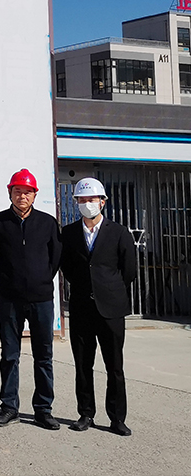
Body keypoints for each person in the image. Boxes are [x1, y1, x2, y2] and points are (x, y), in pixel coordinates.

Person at [60, 177, 137, 437]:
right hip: (81, 306)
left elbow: (129, 270)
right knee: (83, 365)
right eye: (82, 200)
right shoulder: (69, 233)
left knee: (114, 366)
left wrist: (108, 289)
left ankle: (117, 418)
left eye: (91, 199)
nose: (87, 204)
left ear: (102, 202)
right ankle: (86, 414)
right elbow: (67, 267)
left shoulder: (119, 232)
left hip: (111, 309)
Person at [0, 169, 62, 429]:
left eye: (27, 192)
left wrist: (41, 279)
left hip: (42, 300)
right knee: (10, 355)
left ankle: (43, 410)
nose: (22, 196)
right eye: (17, 191)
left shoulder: (47, 223)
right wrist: (9, 278)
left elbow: (55, 257)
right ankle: (9, 407)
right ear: (10, 193)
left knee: (44, 355)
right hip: (10, 299)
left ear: (35, 195)